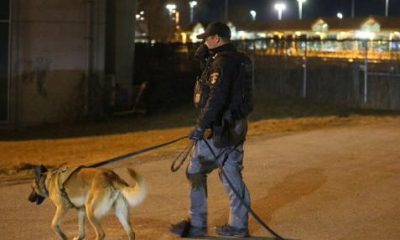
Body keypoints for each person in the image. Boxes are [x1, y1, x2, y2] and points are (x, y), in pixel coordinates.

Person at [170, 22, 251, 238]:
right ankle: (239, 226)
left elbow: (216, 98)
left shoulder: (222, 63)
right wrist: (204, 56)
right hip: (236, 126)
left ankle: (197, 225)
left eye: (207, 38)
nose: (205, 42)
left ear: (216, 38)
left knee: (196, 171)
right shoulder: (238, 59)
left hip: (219, 129)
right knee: (232, 173)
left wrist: (201, 126)